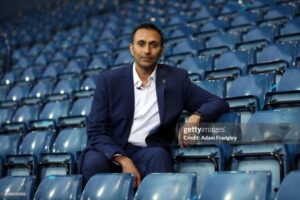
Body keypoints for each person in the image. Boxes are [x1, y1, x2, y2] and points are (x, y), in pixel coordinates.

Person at [80, 23, 229, 187]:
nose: (147, 51)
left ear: (161, 50)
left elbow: (217, 102)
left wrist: (195, 118)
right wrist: (122, 159)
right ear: (132, 49)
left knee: (159, 156)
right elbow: (96, 129)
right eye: (141, 44)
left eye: (153, 45)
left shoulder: (176, 80)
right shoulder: (109, 80)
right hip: (111, 150)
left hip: (148, 150)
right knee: (94, 161)